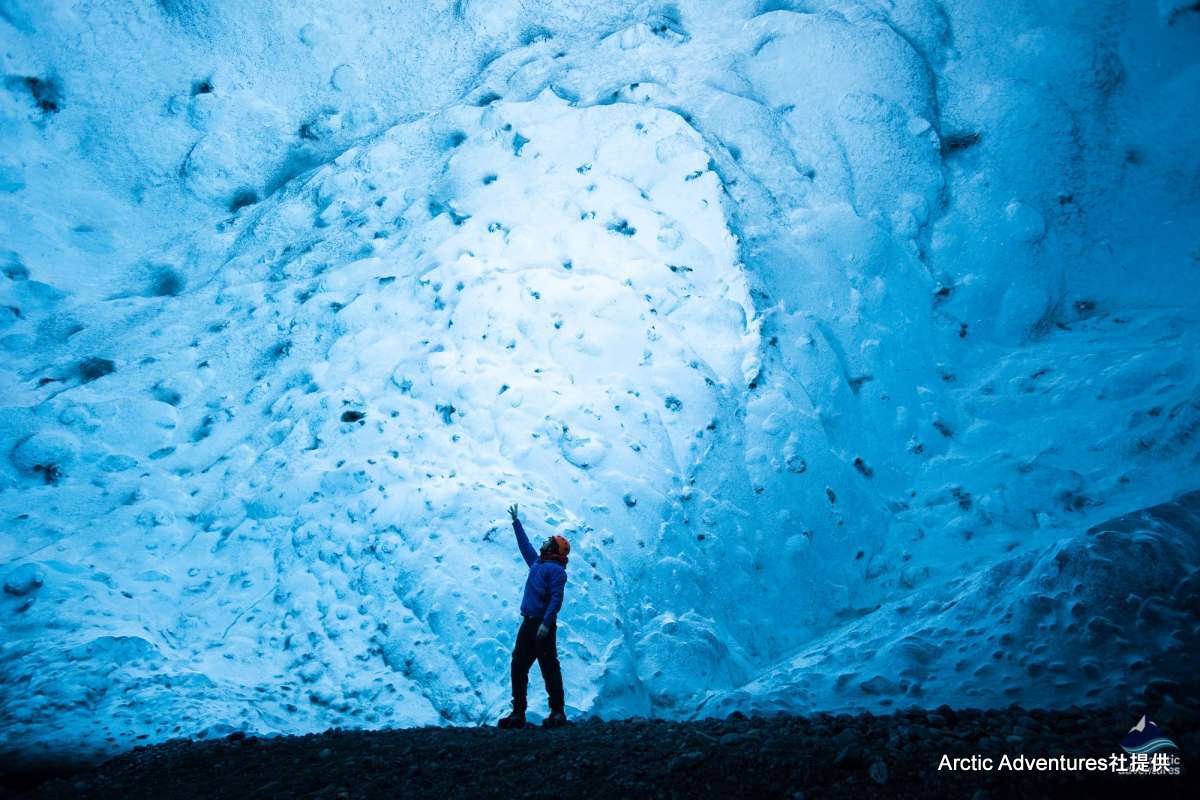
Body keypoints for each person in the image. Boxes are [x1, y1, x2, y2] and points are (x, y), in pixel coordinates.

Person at [498, 503, 570, 729]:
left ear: (556, 550)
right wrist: (516, 523)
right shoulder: (538, 563)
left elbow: (556, 599)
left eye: (550, 543)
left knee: (548, 666)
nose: (545, 543)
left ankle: (557, 712)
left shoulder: (556, 570)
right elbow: (524, 545)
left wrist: (546, 623)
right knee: (519, 665)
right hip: (529, 623)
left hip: (540, 624)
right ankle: (518, 712)